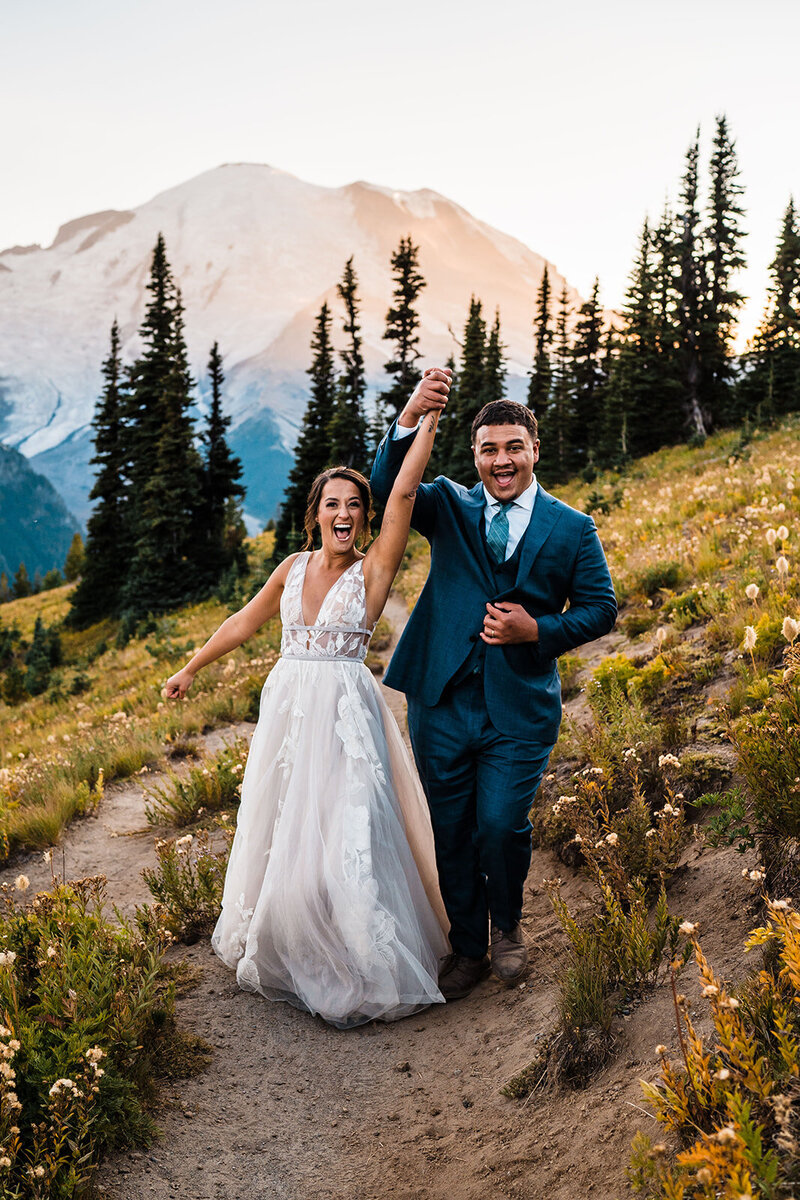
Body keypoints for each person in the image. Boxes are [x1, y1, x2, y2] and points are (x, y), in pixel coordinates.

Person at [164, 393, 450, 1029]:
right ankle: (292, 937)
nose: (344, 514)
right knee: (287, 822)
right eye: (333, 504)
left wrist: (424, 424)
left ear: (364, 519)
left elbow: (403, 495)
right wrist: (189, 667)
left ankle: (359, 950)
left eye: (354, 505)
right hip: (291, 710)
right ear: (315, 514)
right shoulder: (292, 568)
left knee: (348, 829)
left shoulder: (374, 567)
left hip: (347, 713)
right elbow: (244, 621)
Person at [371, 377, 617, 1000]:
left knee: (502, 824)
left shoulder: (572, 529)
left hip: (519, 705)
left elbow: (601, 608)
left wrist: (538, 628)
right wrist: (409, 417)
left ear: (535, 449)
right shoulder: (448, 505)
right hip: (441, 699)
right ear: (475, 455)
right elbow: (385, 490)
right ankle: (468, 948)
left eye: (513, 447)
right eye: (488, 450)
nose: (500, 461)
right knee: (450, 827)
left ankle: (507, 928)